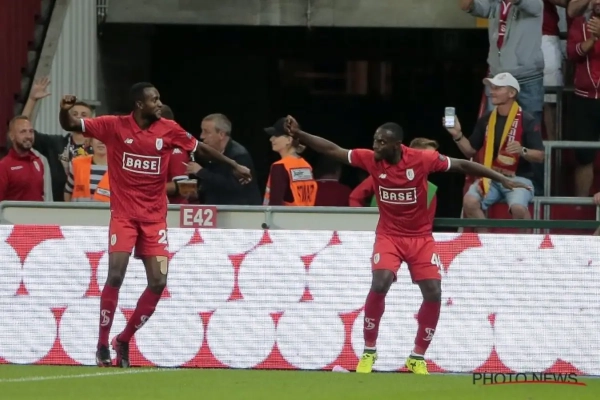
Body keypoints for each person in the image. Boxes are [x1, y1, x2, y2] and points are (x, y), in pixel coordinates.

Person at [284, 115, 530, 375]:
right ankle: (368, 352)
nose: (375, 146)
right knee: (380, 282)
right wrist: (300, 134)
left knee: (433, 292)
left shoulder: (421, 159)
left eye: (381, 142)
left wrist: (501, 179)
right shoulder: (371, 159)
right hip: (389, 236)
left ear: (396, 145)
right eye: (375, 140)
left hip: (420, 238)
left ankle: (417, 356)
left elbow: (460, 164)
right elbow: (334, 150)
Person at [58, 82, 252, 368]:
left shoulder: (169, 129)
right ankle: (102, 344)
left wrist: (234, 166)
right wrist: (64, 110)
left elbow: (200, 148)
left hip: (154, 219)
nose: (159, 103)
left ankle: (123, 339)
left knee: (159, 281)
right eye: (154, 99)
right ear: (140, 104)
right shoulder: (113, 126)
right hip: (124, 217)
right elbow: (71, 124)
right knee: (115, 275)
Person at [446, 73, 544, 227]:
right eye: (492, 88)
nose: (492, 92)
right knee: (469, 202)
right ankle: (485, 240)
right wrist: (457, 135)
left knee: (518, 209)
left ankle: (527, 243)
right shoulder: (486, 119)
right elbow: (470, 151)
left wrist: (522, 150)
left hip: (518, 178)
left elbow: (540, 156)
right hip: (490, 177)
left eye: (497, 88)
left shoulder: (527, 120)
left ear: (511, 93)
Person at [349, 138, 440, 225]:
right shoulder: (382, 174)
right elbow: (355, 197)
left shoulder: (430, 191)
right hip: (377, 232)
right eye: (429, 157)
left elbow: (427, 224)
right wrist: (362, 223)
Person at [185, 113, 261, 205]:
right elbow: (214, 184)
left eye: (206, 132)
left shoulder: (239, 155)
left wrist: (201, 172)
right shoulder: (210, 154)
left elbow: (234, 186)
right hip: (216, 210)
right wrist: (198, 193)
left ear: (221, 134)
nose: (201, 136)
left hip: (238, 211)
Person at [263, 117, 318, 206]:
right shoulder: (307, 166)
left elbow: (275, 205)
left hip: (286, 215)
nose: (271, 139)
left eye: (276, 135)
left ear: (289, 140)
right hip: (307, 214)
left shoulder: (280, 166)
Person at [0, 116, 44, 201]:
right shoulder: (3, 166)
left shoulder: (37, 161)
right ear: (12, 136)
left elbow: (40, 195)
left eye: (31, 131)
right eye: (23, 132)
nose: (28, 136)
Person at [64, 138, 109, 202]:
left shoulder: (120, 171)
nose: (101, 141)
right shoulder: (77, 164)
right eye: (97, 137)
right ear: (91, 141)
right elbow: (68, 192)